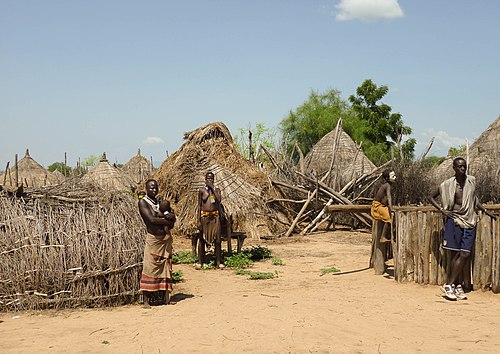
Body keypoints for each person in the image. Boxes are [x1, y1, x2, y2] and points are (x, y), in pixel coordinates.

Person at [430, 157, 496, 301]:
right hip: (454, 220)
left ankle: (450, 284)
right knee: (455, 255)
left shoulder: (471, 181)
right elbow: (431, 197)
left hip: (469, 220)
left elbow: (474, 200)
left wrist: (485, 211)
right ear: (454, 168)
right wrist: (443, 210)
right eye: (459, 166)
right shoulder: (447, 184)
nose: (462, 169)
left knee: (465, 254)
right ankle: (454, 285)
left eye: (464, 166)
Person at [138, 179, 176, 306]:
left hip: (165, 241)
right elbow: (151, 220)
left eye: (155, 187)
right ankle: (146, 300)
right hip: (153, 239)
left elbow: (171, 216)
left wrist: (172, 217)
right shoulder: (143, 202)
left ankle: (166, 298)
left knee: (166, 267)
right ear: (147, 188)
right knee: (150, 267)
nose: (154, 189)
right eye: (151, 188)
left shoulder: (160, 202)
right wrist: (167, 221)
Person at [197, 171, 223, 269]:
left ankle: (218, 262)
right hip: (204, 217)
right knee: (202, 240)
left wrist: (212, 188)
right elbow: (199, 205)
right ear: (205, 179)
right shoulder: (201, 190)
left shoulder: (217, 190)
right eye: (208, 178)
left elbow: (219, 200)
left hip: (215, 217)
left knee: (218, 241)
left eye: (212, 178)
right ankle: (200, 261)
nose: (210, 180)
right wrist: (198, 220)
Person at [371, 169, 397, 243]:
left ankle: (390, 234)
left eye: (395, 175)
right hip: (377, 206)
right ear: (387, 178)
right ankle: (383, 237)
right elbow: (389, 197)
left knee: (391, 217)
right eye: (393, 176)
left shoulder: (389, 185)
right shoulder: (387, 185)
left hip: (382, 205)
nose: (395, 177)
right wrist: (391, 208)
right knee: (389, 218)